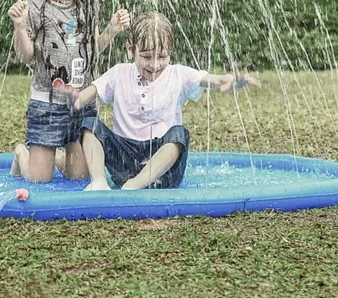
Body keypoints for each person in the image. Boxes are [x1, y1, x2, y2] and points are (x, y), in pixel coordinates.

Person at [61, 11, 259, 191]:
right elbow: (89, 93)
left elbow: (214, 80)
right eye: (146, 57)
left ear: (171, 51)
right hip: (124, 161)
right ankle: (99, 182)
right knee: (89, 125)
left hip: (163, 171)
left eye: (162, 57)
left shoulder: (179, 74)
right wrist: (75, 100)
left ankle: (135, 185)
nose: (155, 65)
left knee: (179, 135)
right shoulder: (119, 73)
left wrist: (232, 81)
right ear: (131, 49)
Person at [8, 0, 130, 183]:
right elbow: (26, 56)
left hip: (81, 101)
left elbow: (92, 48)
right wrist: (20, 26)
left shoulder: (88, 4)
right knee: (38, 180)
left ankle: (53, 158)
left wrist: (112, 30)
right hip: (47, 103)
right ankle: (23, 153)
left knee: (80, 177)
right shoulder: (35, 4)